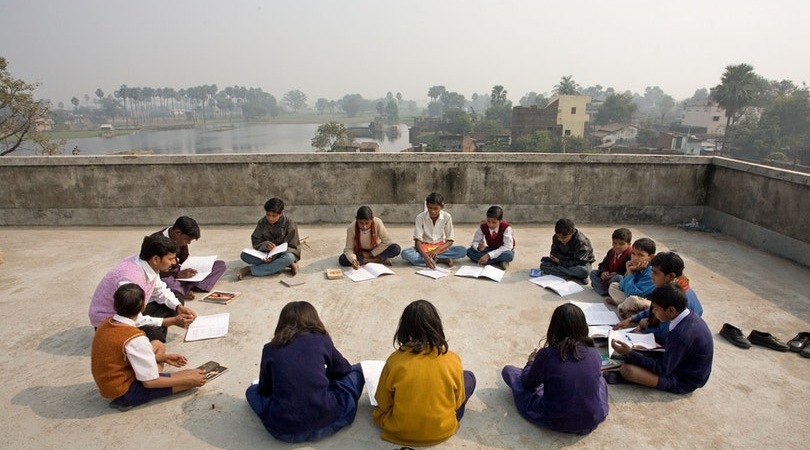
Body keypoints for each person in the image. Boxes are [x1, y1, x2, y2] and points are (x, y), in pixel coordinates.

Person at [245, 301, 364, 443]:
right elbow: (343, 369)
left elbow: (264, 389)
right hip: (328, 421)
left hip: (284, 430)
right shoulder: (321, 340)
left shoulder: (270, 349)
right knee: (357, 371)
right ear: (314, 319)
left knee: (251, 391)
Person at [373, 300, 476, 446]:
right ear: (437, 325)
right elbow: (457, 402)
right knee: (469, 377)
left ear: (404, 328)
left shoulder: (395, 360)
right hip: (443, 430)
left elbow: (383, 402)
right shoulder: (452, 359)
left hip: (398, 430)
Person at [91, 284, 206, 411]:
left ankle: (155, 372)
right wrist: (188, 378)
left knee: (157, 344)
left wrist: (163, 357)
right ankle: (125, 401)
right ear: (143, 307)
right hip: (125, 391)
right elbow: (149, 382)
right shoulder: (135, 338)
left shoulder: (105, 323)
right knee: (195, 379)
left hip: (111, 382)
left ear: (114, 305)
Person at [502, 303, 608, 435]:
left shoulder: (547, 355)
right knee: (600, 381)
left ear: (555, 328)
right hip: (593, 419)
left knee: (510, 372)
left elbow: (528, 384)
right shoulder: (594, 353)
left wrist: (531, 362)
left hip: (556, 420)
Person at [88, 235, 197, 342]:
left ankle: (154, 326)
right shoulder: (130, 279)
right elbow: (132, 316)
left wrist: (178, 307)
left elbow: (160, 291)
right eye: (171, 259)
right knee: (156, 336)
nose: (174, 263)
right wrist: (171, 321)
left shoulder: (148, 264)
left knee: (177, 301)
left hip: (134, 310)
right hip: (112, 322)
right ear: (155, 259)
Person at [610, 283, 714, 394]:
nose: (653, 313)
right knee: (638, 353)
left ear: (671, 311)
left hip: (684, 380)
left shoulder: (681, 334)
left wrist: (631, 353)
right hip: (679, 364)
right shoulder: (686, 317)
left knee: (627, 370)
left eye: (656, 309)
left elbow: (663, 369)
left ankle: (638, 379)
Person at [613, 252, 704, 344]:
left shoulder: (674, 298)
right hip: (666, 324)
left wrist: (645, 326)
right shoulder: (674, 286)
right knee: (631, 316)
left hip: (677, 342)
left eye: (656, 273)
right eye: (652, 272)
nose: (651, 276)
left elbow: (664, 336)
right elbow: (653, 308)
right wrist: (631, 319)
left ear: (671, 276)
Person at [152, 216, 226, 300]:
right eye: (187, 240)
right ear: (177, 232)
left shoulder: (179, 239)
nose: (188, 243)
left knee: (220, 265)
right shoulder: (156, 242)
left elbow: (184, 259)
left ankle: (187, 286)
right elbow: (153, 272)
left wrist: (195, 267)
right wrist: (177, 274)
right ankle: (185, 289)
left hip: (178, 271)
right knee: (166, 282)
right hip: (165, 275)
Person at [238, 198, 301, 279]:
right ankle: (283, 265)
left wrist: (274, 256)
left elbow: (293, 247)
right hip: (265, 255)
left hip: (283, 254)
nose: (270, 218)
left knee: (289, 258)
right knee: (244, 255)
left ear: (281, 213)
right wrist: (265, 246)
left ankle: (250, 269)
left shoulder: (290, 223)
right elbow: (256, 241)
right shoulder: (262, 222)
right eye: (268, 215)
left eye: (274, 216)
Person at [401, 192, 466, 269]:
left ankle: (431, 259)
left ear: (441, 207)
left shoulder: (447, 217)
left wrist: (437, 250)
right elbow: (417, 241)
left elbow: (450, 240)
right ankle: (441, 260)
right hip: (425, 247)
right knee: (405, 253)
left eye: (435, 208)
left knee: (462, 250)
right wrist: (425, 256)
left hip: (440, 248)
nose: (432, 211)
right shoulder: (420, 217)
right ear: (427, 206)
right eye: (430, 208)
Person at [606, 237, 656, 310]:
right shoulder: (636, 266)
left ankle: (622, 306)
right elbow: (621, 287)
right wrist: (628, 271)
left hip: (646, 301)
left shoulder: (652, 273)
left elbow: (631, 293)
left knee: (633, 300)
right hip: (631, 295)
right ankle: (624, 305)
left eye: (640, 255)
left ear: (650, 257)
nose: (635, 258)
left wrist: (630, 273)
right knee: (613, 286)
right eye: (633, 254)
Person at [539, 218, 595, 283]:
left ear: (572, 233)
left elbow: (579, 261)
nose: (561, 240)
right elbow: (554, 252)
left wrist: (560, 262)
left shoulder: (581, 241)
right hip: (564, 262)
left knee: (584, 272)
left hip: (579, 264)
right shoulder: (556, 237)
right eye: (559, 237)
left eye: (564, 238)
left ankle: (573, 275)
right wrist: (558, 260)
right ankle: (574, 276)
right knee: (544, 266)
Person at [466, 205, 515, 270]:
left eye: (494, 222)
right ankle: (499, 262)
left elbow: (508, 246)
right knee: (469, 251)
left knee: (509, 255)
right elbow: (475, 242)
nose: (490, 225)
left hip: (503, 251)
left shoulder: (506, 228)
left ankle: (486, 260)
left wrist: (488, 256)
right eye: (488, 221)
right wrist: (478, 247)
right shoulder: (483, 226)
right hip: (490, 249)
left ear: (500, 221)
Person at [589, 228, 632, 298]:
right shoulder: (611, 252)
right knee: (593, 273)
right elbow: (602, 264)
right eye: (614, 243)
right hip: (608, 277)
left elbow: (628, 273)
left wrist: (616, 273)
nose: (617, 246)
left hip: (616, 280)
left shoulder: (630, 256)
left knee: (619, 278)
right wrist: (603, 272)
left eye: (621, 244)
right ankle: (606, 291)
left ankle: (602, 289)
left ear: (629, 244)